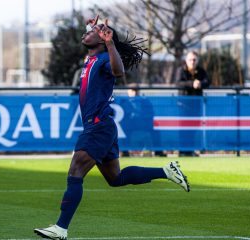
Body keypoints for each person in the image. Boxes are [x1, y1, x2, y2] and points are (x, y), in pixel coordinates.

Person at [34, 15, 190, 240]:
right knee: (115, 178)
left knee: (75, 172)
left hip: (98, 128)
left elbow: (119, 72)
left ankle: (60, 228)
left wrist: (109, 42)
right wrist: (93, 29)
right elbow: (94, 40)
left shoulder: (106, 57)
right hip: (102, 127)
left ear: (102, 41)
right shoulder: (93, 56)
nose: (86, 32)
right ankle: (166, 171)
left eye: (92, 31)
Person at [177, 51, 210, 157]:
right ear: (186, 60)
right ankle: (182, 151)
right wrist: (192, 84)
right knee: (183, 129)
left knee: (193, 128)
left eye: (194, 59)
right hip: (183, 105)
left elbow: (208, 81)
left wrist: (200, 83)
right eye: (190, 59)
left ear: (197, 61)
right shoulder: (181, 70)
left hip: (196, 105)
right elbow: (178, 83)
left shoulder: (201, 71)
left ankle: (190, 150)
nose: (192, 61)